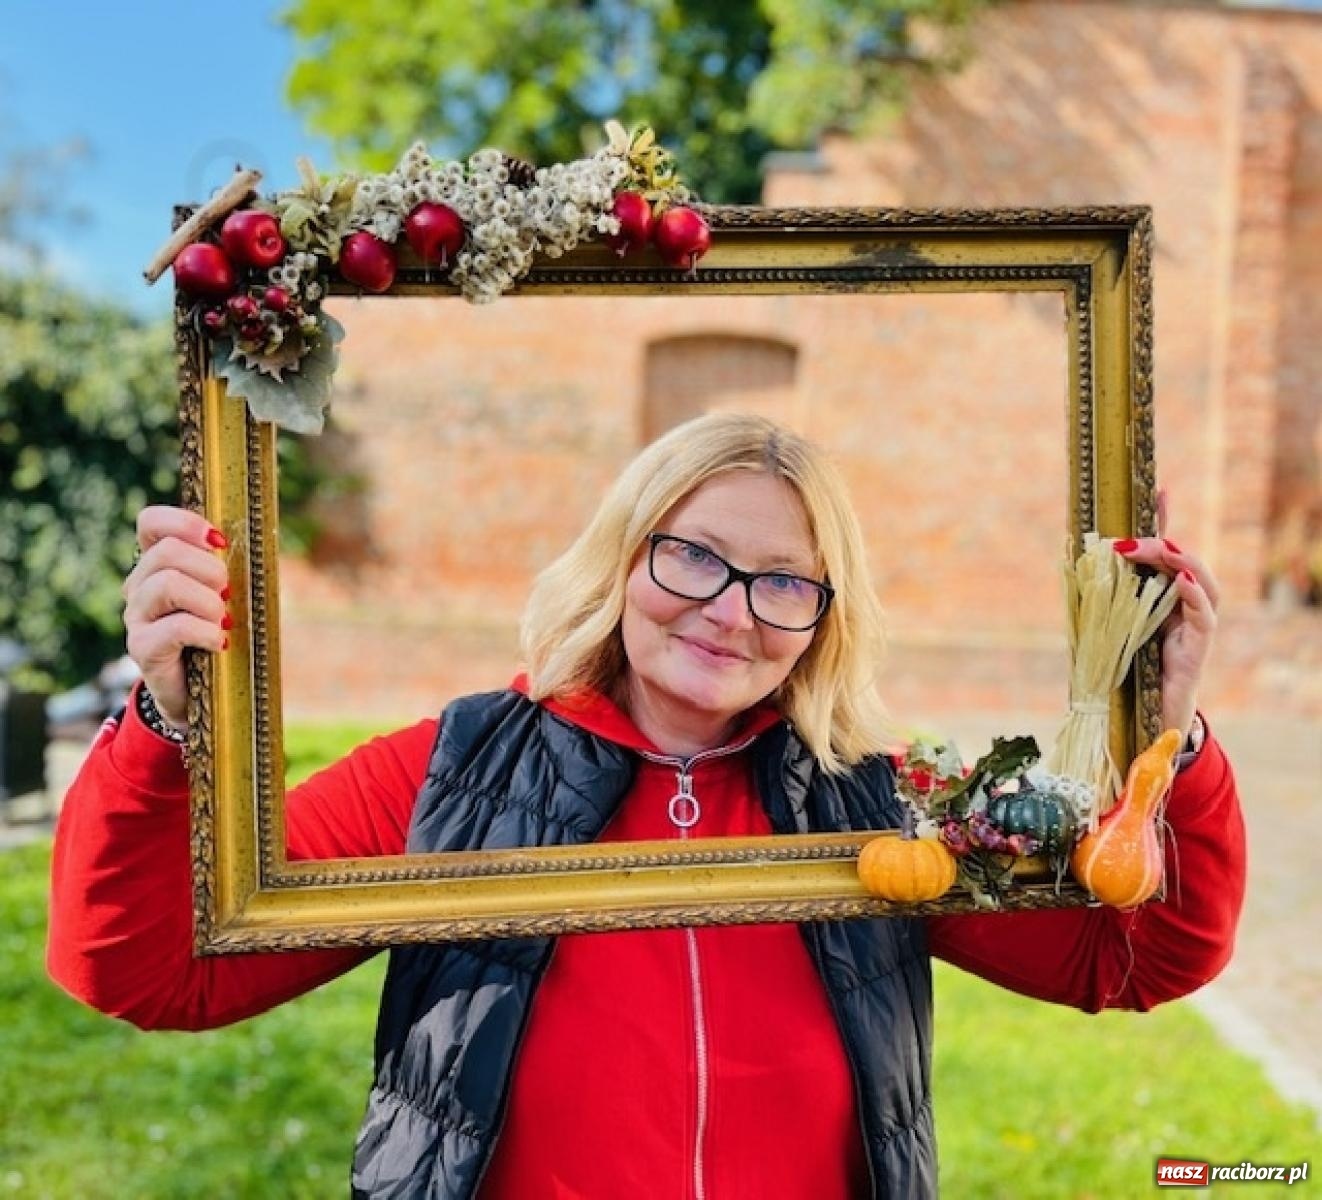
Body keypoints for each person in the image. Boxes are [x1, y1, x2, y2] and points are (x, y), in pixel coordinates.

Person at [48, 412, 1244, 1199]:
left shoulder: (879, 808)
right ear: (622, 556)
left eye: (782, 582)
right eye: (692, 557)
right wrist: (165, 726)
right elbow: (149, 970)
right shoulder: (446, 777)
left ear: (824, 615)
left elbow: (1130, 958)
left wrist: (1167, 737)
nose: (729, 611)